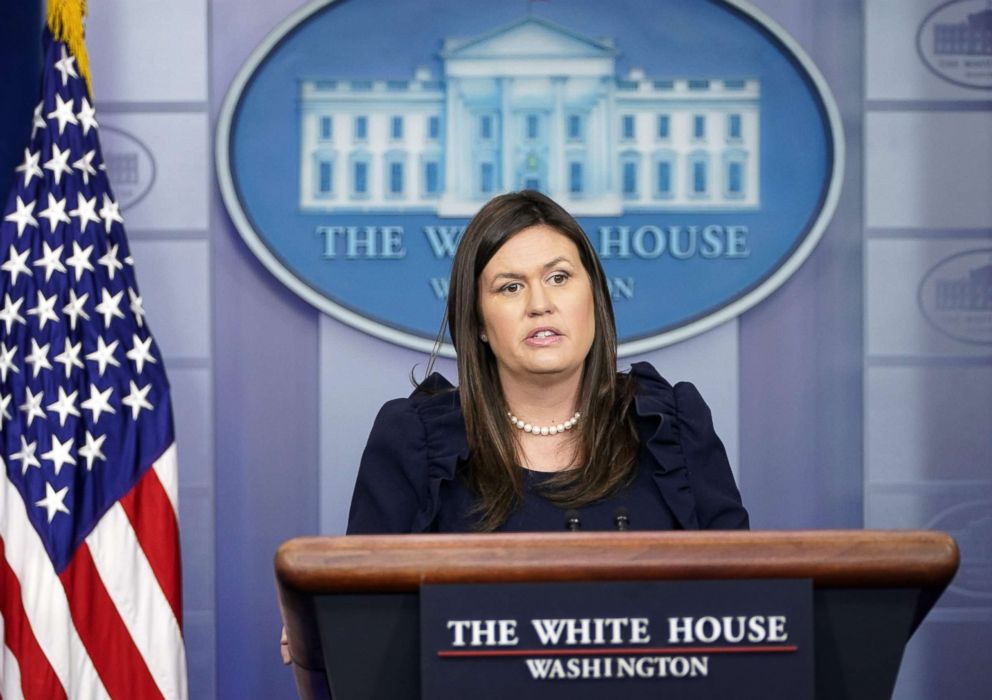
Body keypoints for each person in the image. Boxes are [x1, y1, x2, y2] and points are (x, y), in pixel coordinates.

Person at [347, 190, 748, 533]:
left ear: (594, 297)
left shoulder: (672, 427)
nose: (540, 305)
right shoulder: (414, 441)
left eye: (558, 278)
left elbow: (743, 599)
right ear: (479, 322)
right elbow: (365, 612)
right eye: (511, 287)